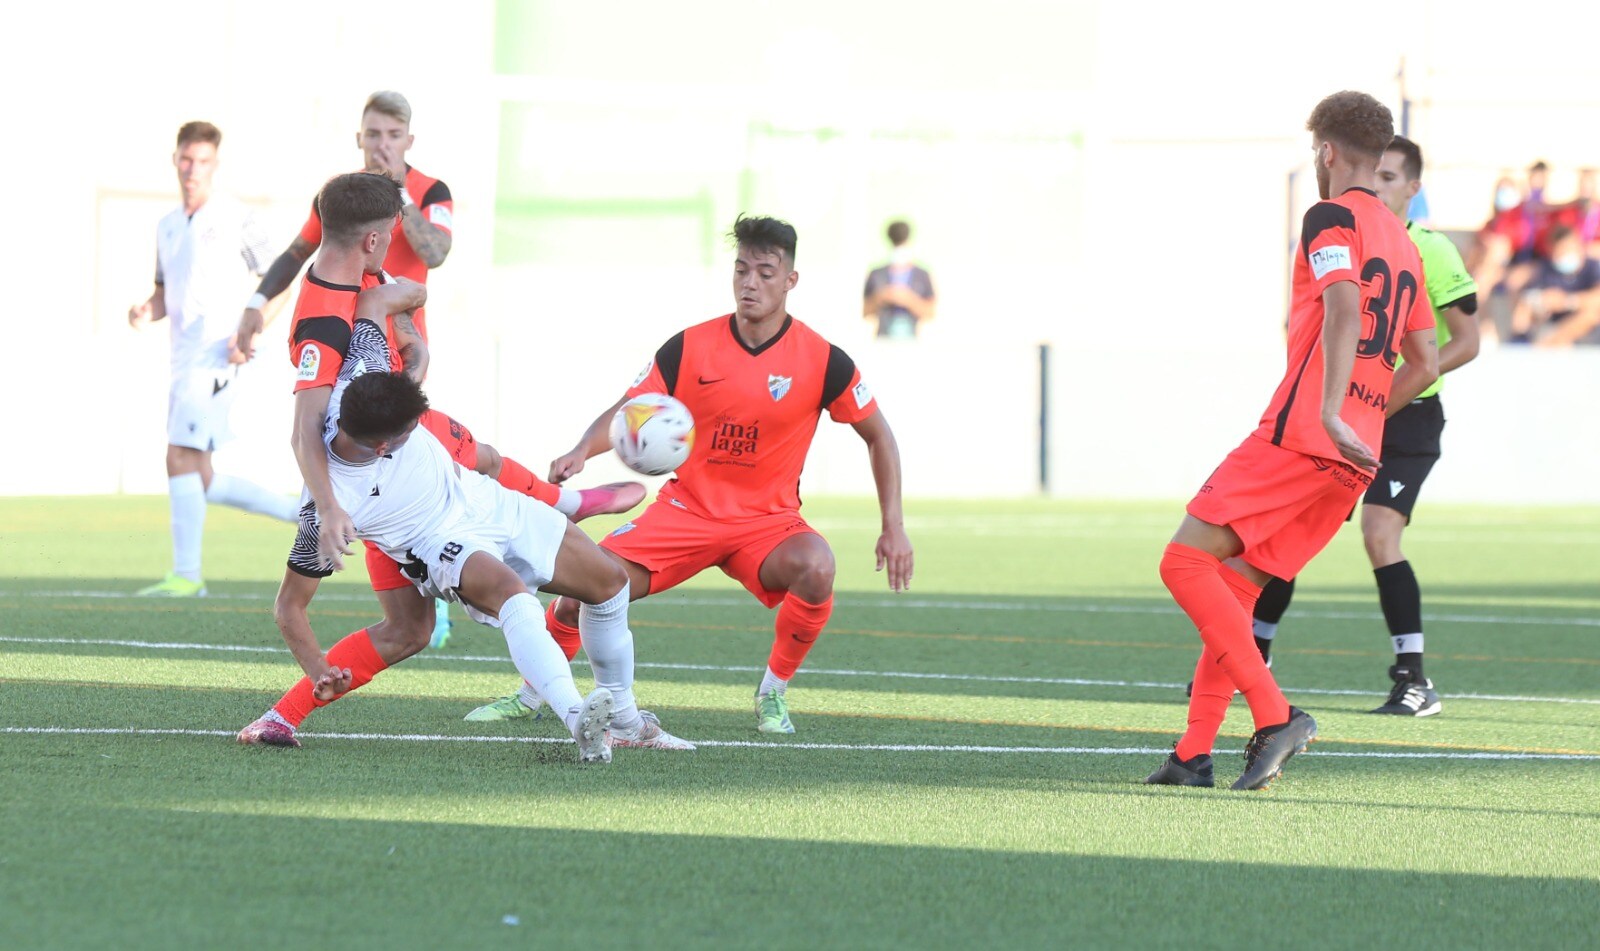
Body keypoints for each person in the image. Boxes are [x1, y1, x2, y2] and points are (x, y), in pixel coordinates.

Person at [466, 214, 915, 734]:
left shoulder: (824, 360)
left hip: (767, 524)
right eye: (742, 270)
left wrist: (894, 525)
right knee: (584, 589)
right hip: (685, 513)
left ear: (790, 281)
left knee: (817, 566)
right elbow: (631, 408)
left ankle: (774, 691)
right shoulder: (690, 346)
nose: (751, 283)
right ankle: (532, 693)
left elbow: (879, 434)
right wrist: (582, 451)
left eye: (766, 273)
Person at [236, 92, 641, 646]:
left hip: (401, 356)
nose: (382, 145)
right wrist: (257, 305)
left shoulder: (427, 193)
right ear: (359, 137)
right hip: (364, 381)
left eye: (392, 135)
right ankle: (558, 510)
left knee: (464, 464)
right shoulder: (345, 205)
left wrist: (399, 202)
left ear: (408, 140)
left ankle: (466, 560)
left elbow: (435, 252)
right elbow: (298, 253)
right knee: (456, 464)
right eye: (373, 134)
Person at [1145, 91, 1438, 791]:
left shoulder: (1330, 215)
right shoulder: (1403, 239)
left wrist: (1335, 410)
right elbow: (1426, 360)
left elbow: (1342, 305)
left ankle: (1275, 714)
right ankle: (1192, 754)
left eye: (1316, 153)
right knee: (1236, 592)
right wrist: (1364, 418)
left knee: (1184, 562)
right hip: (1350, 461)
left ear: (1328, 153)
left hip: (1305, 435)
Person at [236, 371, 692, 759]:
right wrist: (318, 669)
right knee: (514, 599)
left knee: (611, 585)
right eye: (414, 426)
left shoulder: (358, 377)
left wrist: (411, 332)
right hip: (438, 542)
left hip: (489, 502)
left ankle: (628, 724)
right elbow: (288, 607)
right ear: (382, 447)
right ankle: (577, 718)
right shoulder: (327, 513)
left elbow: (380, 300)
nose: (422, 427)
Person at [1246, 135, 1480, 718]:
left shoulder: (1430, 249)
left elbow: (1465, 342)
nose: (1378, 186)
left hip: (1405, 417)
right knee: (1290, 537)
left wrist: (1387, 394)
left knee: (1379, 536)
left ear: (1414, 188)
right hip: (1349, 412)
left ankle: (1414, 681)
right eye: (1374, 175)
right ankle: (1252, 660)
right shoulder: (1350, 237)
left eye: (1392, 177)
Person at [128, 121, 299, 597]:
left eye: (203, 161)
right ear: (175, 159)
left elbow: (280, 279)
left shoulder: (234, 217)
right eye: (186, 159)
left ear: (215, 165)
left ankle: (187, 576)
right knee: (197, 474)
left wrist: (251, 325)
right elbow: (163, 295)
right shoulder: (165, 226)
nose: (192, 169)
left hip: (220, 355)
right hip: (182, 361)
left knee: (179, 456)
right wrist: (145, 309)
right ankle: (298, 511)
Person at [1509, 225, 1600, 346]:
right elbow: (1532, 298)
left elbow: (1596, 299)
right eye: (1561, 251)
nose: (1565, 254)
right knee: (1525, 306)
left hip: (1585, 328)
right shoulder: (1547, 269)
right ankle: (1519, 341)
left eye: (1568, 248)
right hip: (1552, 322)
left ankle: (1550, 342)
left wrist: (1567, 301)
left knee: (1591, 313)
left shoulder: (1593, 267)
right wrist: (1541, 302)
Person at [862, 221, 936, 339]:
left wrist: (908, 299)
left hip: (911, 339)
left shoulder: (921, 275)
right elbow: (865, 312)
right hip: (883, 339)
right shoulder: (877, 274)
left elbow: (930, 312)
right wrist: (881, 296)